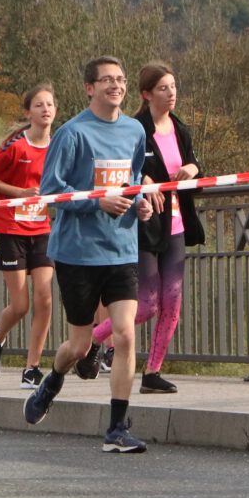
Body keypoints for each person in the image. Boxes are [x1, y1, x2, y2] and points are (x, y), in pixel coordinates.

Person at [23, 56, 157, 451]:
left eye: (121, 79)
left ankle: (116, 429)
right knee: (79, 347)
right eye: (107, 80)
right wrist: (98, 202)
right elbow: (51, 191)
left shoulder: (135, 130)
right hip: (78, 253)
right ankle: (52, 381)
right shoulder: (72, 133)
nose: (116, 86)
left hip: (121, 250)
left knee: (125, 334)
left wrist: (140, 203)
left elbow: (132, 179)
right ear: (89, 88)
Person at [82, 63, 205, 394]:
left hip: (176, 223)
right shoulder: (135, 129)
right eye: (163, 88)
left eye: (174, 86)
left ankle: (153, 372)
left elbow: (194, 163)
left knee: (173, 301)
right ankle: (94, 339)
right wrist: (145, 180)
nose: (171, 93)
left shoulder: (180, 129)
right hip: (145, 224)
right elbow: (123, 171)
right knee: (148, 304)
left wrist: (192, 169)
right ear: (147, 94)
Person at [0, 85, 59, 388]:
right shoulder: (16, 146)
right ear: (28, 112)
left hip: (41, 230)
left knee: (45, 299)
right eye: (39, 105)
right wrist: (20, 193)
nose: (45, 109)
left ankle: (32, 367)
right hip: (10, 229)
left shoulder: (57, 146)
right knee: (22, 305)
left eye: (49, 104)